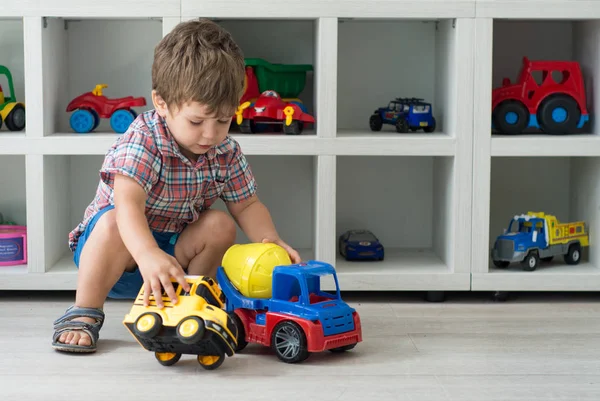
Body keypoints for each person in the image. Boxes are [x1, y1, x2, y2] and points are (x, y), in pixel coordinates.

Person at [51, 18, 301, 353]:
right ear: (162, 103)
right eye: (197, 121)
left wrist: (271, 241)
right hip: (118, 256)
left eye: (224, 120)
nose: (211, 134)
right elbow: (128, 207)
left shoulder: (225, 152)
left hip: (172, 257)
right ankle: (84, 311)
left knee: (220, 225)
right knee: (112, 220)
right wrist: (147, 253)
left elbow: (247, 205)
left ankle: (189, 301)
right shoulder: (143, 139)